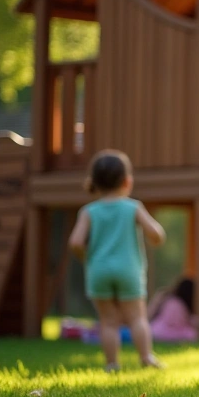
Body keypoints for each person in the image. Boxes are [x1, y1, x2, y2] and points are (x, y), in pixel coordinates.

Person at [67, 150, 167, 372]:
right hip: (128, 270)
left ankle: (112, 364)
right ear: (127, 181)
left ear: (94, 183)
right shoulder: (133, 207)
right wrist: (156, 239)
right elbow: (156, 233)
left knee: (108, 321)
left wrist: (87, 258)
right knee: (137, 318)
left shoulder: (89, 211)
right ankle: (146, 357)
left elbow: (75, 242)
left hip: (99, 270)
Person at [149, 277, 197, 343]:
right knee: (192, 334)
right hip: (168, 330)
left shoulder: (170, 300)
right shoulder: (178, 303)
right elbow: (176, 322)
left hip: (157, 329)